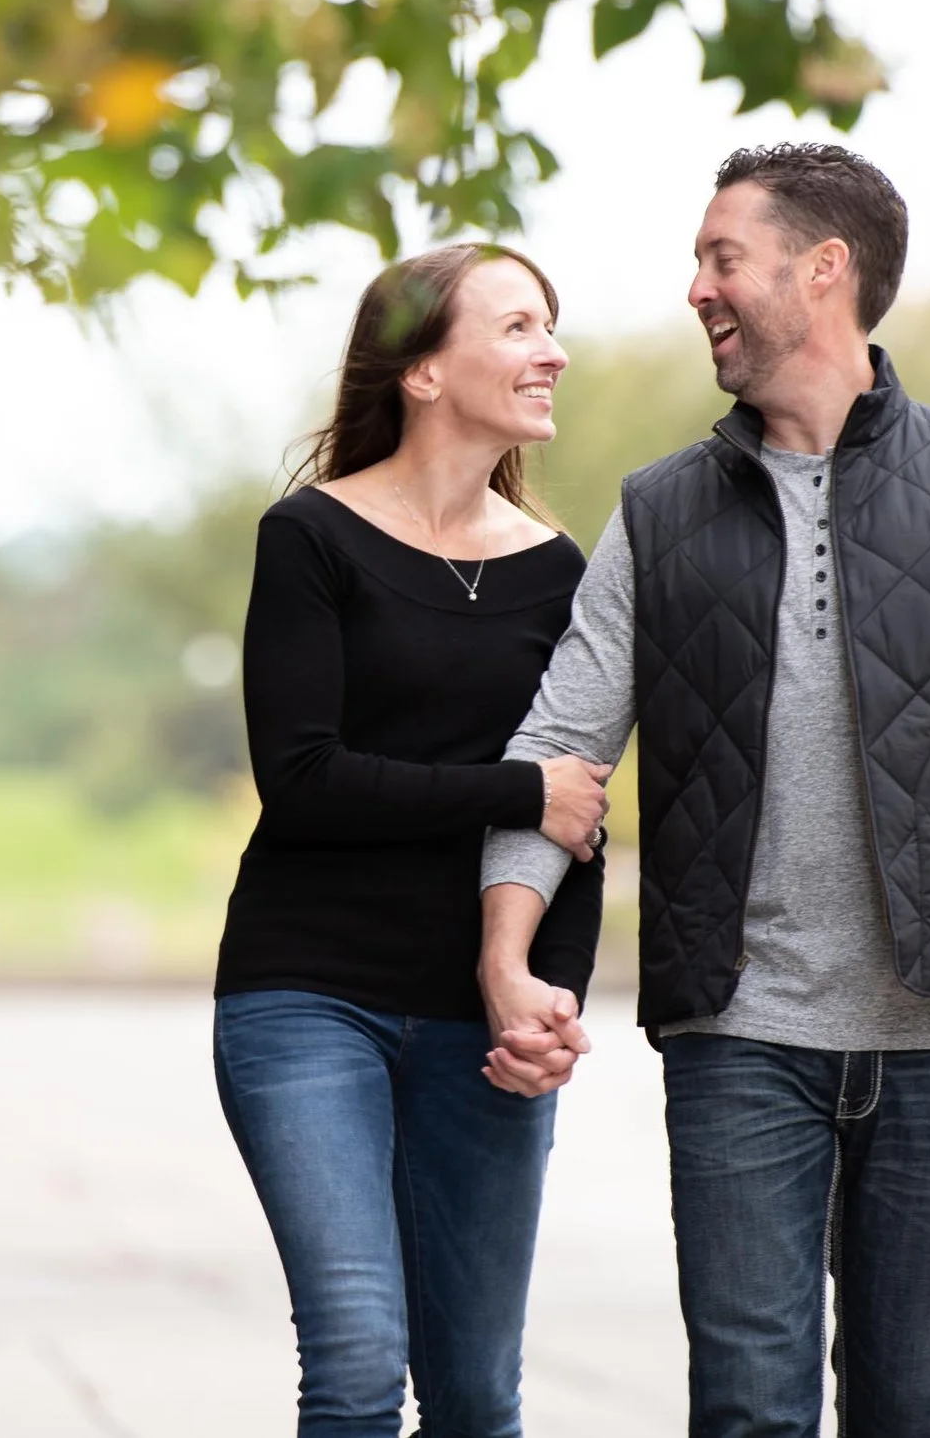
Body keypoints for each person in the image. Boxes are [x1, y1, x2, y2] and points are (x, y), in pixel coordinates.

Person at [478, 144, 930, 1438]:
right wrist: (505, 952)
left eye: (723, 257)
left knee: (918, 1401)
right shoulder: (660, 512)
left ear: (821, 270)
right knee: (747, 1409)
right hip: (741, 1035)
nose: (697, 288)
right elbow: (559, 750)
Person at [213, 242, 613, 1438]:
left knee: (477, 1392)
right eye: (516, 327)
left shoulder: (562, 575)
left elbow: (577, 813)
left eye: (551, 326)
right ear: (424, 371)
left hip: (478, 1018)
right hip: (305, 994)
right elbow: (302, 781)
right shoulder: (311, 539)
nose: (551, 352)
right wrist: (509, 788)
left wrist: (549, 993)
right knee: (353, 1354)